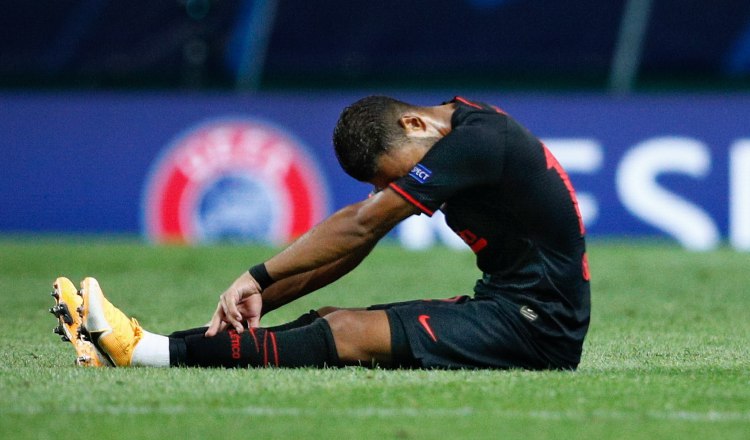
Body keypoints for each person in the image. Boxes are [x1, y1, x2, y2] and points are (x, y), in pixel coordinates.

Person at [49, 96, 590, 370]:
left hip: (537, 328)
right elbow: (353, 246)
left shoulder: (479, 140)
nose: (395, 191)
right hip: (506, 307)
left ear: (413, 125)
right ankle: (139, 344)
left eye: (394, 179)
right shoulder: (450, 137)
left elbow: (360, 225)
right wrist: (264, 294)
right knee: (331, 320)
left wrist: (257, 273)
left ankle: (142, 354)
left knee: (349, 333)